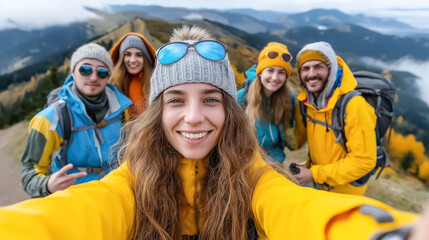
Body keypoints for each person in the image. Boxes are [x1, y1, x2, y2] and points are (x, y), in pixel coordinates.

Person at [1, 26, 418, 240]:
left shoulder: (253, 171)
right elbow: (81, 211)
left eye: (212, 99)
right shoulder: (132, 175)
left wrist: (379, 231)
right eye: (177, 100)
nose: (195, 117)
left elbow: (295, 207)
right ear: (157, 110)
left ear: (230, 110)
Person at [20, 43, 132, 198]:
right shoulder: (49, 119)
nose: (93, 77)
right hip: (76, 200)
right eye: (85, 70)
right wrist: (47, 185)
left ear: (108, 77)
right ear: (72, 72)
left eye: (102, 72)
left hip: (118, 195)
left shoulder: (121, 109)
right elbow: (29, 175)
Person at [292, 41, 377, 195]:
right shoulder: (307, 103)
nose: (311, 74)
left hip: (345, 194)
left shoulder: (354, 105)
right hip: (319, 187)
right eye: (305, 68)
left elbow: (364, 161)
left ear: (330, 69)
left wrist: (314, 174)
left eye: (318, 66)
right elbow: (296, 141)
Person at [237, 42, 295, 163]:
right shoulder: (241, 97)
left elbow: (290, 128)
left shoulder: (289, 99)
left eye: (281, 72)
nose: (275, 78)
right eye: (270, 70)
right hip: (246, 162)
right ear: (260, 72)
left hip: (276, 161)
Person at [109, 32, 156, 118]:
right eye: (127, 54)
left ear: (146, 59)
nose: (133, 60)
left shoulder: (156, 84)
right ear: (121, 58)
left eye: (139, 55)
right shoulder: (112, 85)